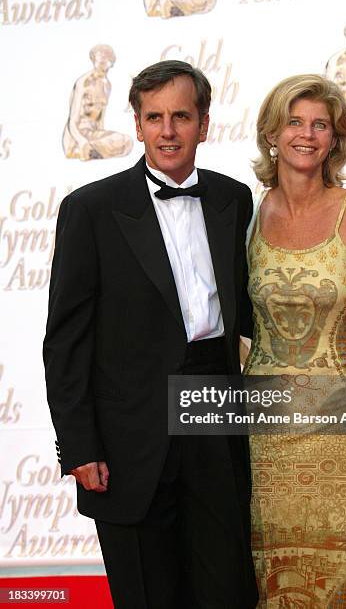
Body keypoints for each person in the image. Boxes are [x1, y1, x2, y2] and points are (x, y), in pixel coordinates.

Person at [44, 60, 258, 608]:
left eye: (181, 116)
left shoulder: (233, 199)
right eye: (154, 117)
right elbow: (66, 342)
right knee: (148, 593)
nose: (168, 131)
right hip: (127, 435)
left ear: (204, 124)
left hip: (214, 404)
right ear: (137, 125)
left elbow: (247, 313)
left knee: (226, 589)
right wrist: (80, 445)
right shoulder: (90, 209)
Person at [243, 74, 346, 607]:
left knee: (343, 567)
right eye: (295, 122)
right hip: (263, 432)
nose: (307, 135)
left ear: (335, 139)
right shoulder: (243, 214)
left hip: (343, 430)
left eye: (321, 125)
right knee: (267, 571)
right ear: (272, 133)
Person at [62, 44, 133, 160]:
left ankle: (89, 151)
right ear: (94, 59)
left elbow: (100, 119)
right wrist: (81, 141)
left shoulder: (107, 85)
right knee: (107, 143)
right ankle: (82, 150)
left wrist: (105, 139)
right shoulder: (84, 82)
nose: (102, 60)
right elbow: (72, 120)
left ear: (111, 62)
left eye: (106, 58)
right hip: (77, 136)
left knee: (127, 142)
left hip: (93, 135)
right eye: (99, 58)